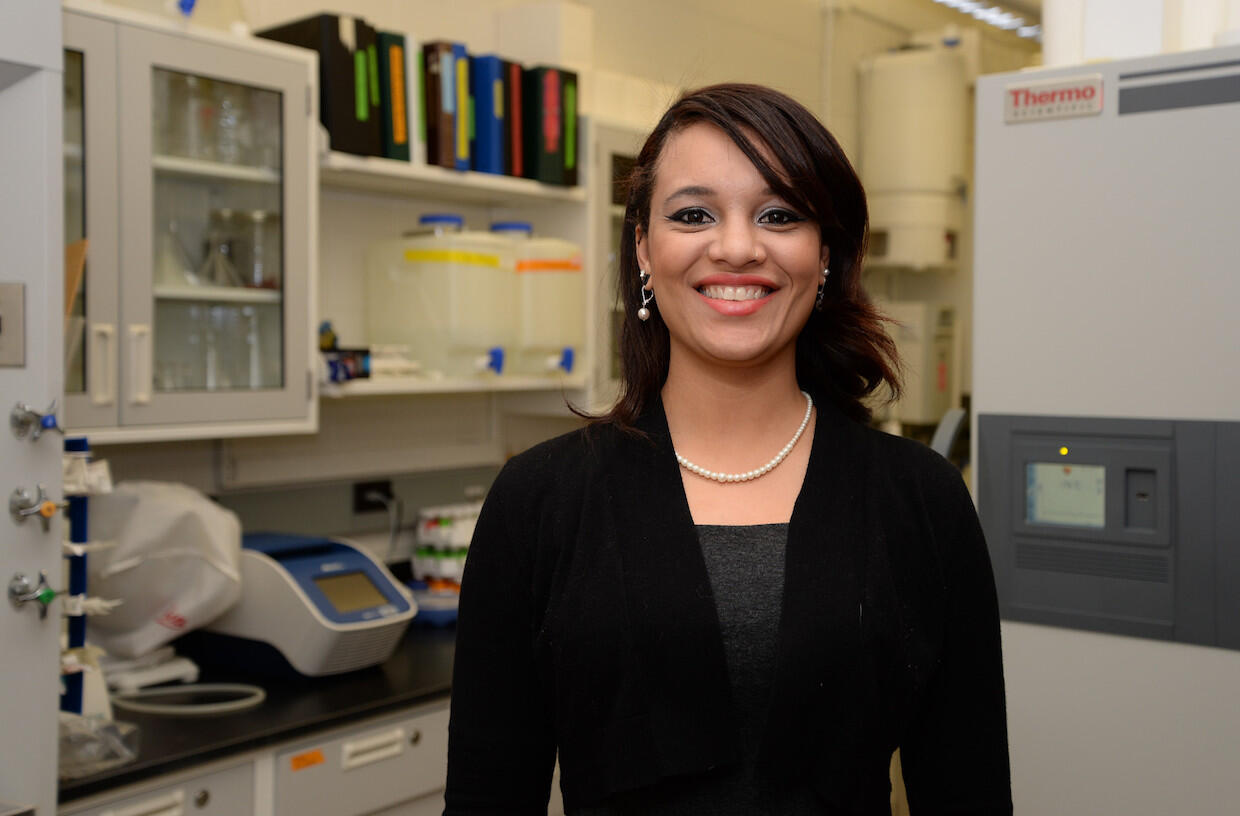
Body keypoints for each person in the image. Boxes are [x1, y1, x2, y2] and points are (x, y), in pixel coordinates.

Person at [444, 83, 1011, 815]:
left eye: (779, 214)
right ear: (644, 249)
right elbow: (486, 799)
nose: (738, 247)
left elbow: (970, 793)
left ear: (827, 253)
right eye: (693, 214)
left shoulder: (920, 498)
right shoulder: (540, 501)